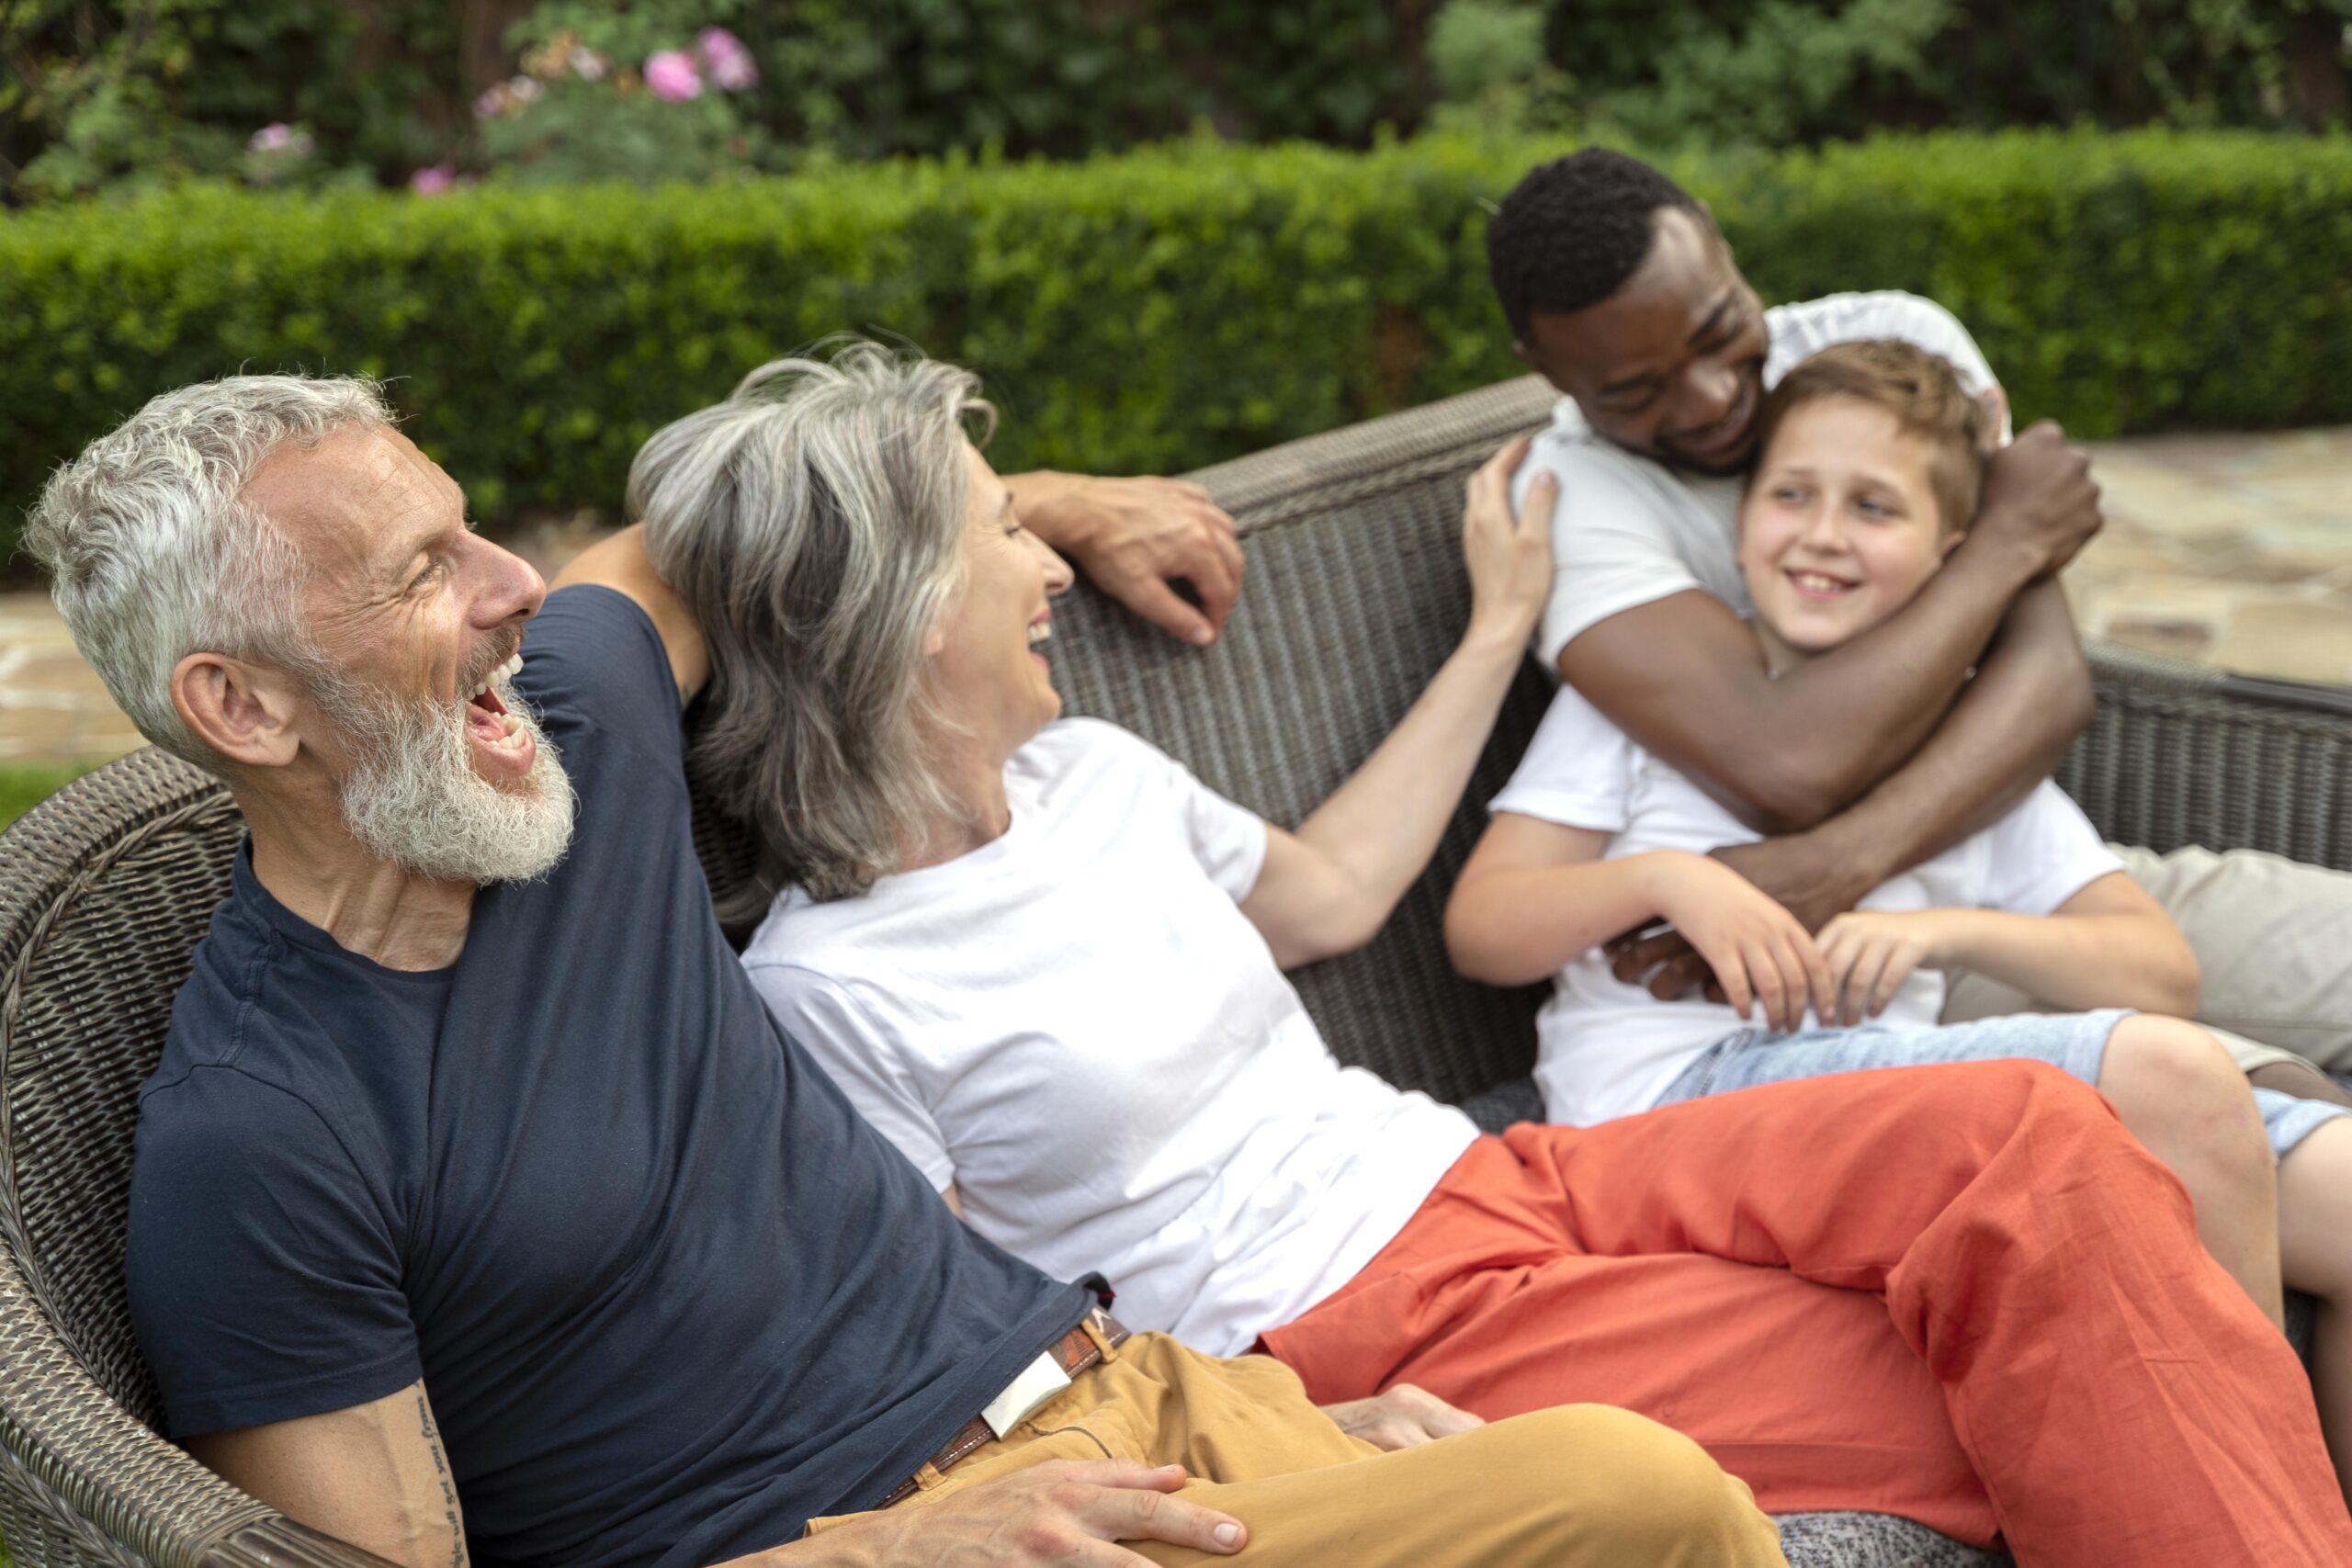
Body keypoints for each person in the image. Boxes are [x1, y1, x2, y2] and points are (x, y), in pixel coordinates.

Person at [26, 375, 1786, 1568]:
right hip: (925, 1540)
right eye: (426, 573)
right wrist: (881, 1550)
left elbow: (723, 520)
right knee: (1639, 1495)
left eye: (476, 529)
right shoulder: (260, 1142)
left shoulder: (578, 733)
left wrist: (1029, 502)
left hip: (1157, 1400)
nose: (511, 586)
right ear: (243, 708)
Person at [684, 342, 2352, 1564]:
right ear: (905, 612)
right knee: (2016, 1394)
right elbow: (970, 1350)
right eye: (1001, 533)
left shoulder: (1092, 777)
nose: (1051, 559)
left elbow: (1336, 889)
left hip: (1517, 1172)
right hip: (1345, 1316)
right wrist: (1302, 1440)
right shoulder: (835, 991)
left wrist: (1499, 630)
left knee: (2043, 1137)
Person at [1445, 338, 2352, 1496]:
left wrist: (1944, 933)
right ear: (1738, 525)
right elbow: (1484, 926)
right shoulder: (1647, 712)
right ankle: (2252, 1515)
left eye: (1872, 507)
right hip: (1668, 1102)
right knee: (2172, 1080)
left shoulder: (1963, 750)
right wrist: (1665, 876)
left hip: (1890, 1088)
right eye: (1792, 495)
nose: (1822, 533)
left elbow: (2153, 965)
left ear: (1950, 554)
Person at [1486, 147, 2352, 1111]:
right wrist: (2007, 538)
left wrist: (1835, 868)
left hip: (2009, 882)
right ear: (1546, 370)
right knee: (2240, 1106)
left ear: (1718, 240)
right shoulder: (1573, 498)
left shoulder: (1891, 343)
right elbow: (1785, 767)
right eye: (1634, 393)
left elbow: (2046, 681)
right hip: (1833, 1000)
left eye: (1716, 329)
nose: (1708, 399)